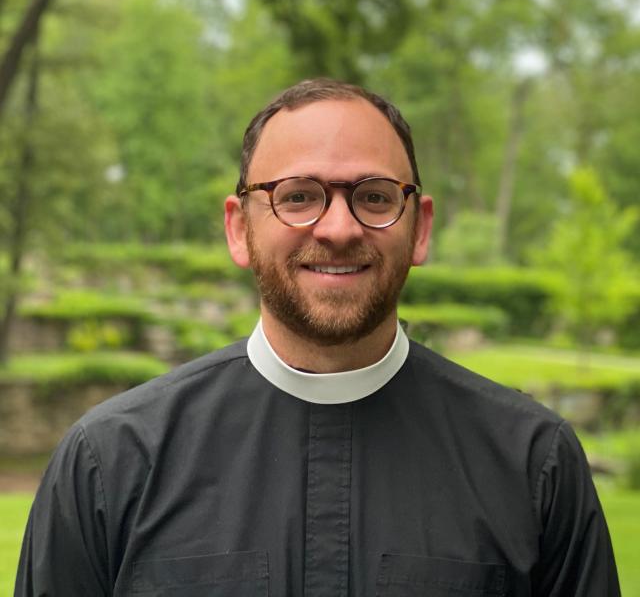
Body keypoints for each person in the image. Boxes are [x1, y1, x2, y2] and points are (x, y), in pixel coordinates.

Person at [15, 78, 619, 596]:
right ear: (238, 228)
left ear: (421, 227)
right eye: (297, 196)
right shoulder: (111, 463)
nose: (337, 228)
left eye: (374, 197)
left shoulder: (530, 464)